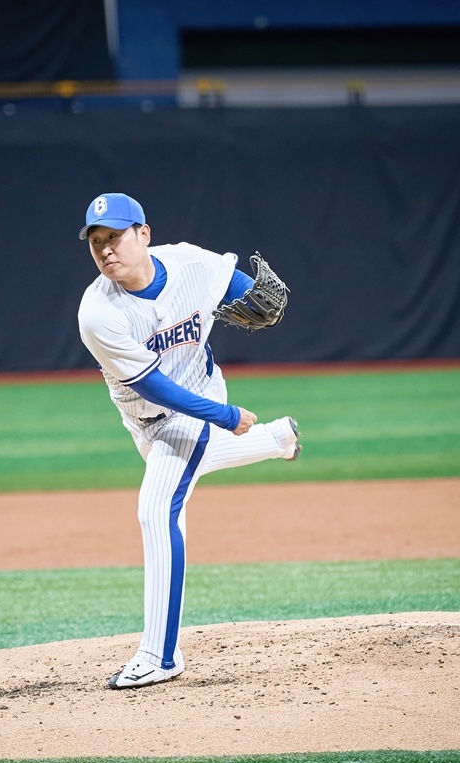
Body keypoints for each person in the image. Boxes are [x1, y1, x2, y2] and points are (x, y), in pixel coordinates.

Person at [76, 192, 301, 690]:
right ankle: (276, 438)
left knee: (157, 509)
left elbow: (237, 285)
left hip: (199, 397)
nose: (106, 249)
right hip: (148, 418)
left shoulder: (189, 263)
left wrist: (251, 295)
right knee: (190, 461)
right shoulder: (97, 313)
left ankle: (160, 654)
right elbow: (152, 386)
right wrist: (226, 417)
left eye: (115, 236)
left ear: (144, 234)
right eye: (96, 242)